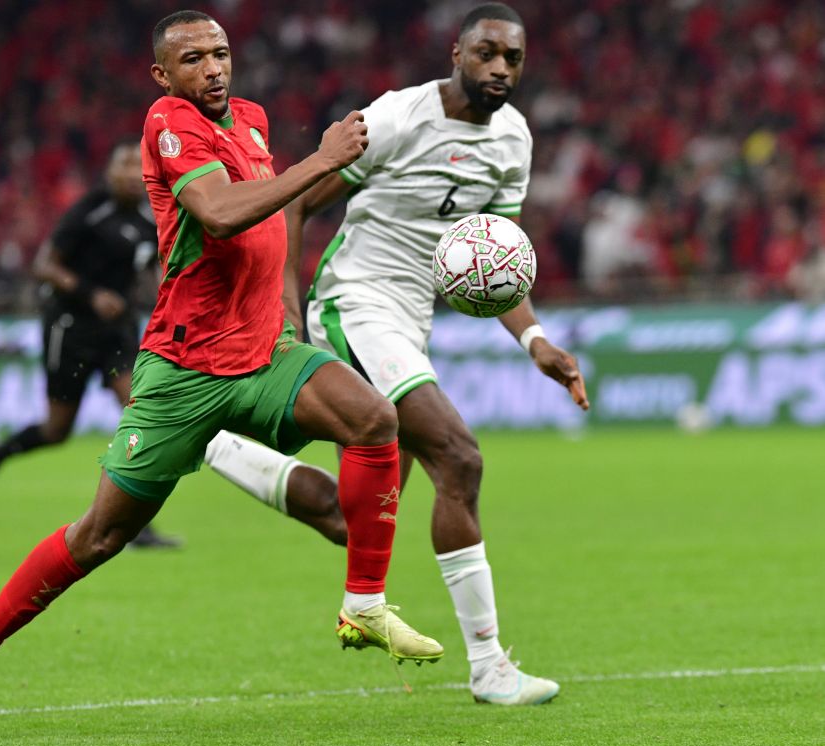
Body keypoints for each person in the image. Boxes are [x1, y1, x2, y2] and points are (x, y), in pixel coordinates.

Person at [0, 10, 442, 741]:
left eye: (220, 53)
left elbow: (275, 224)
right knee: (100, 536)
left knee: (373, 419)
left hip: (263, 353)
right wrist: (321, 160)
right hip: (185, 371)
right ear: (162, 74)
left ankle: (363, 604)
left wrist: (285, 305)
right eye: (194, 58)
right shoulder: (168, 122)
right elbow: (221, 213)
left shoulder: (253, 120)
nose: (213, 68)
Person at [204, 2, 589, 706]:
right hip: (353, 301)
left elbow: (496, 263)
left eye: (512, 58)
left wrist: (535, 340)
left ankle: (224, 447)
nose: (500, 68)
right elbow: (294, 204)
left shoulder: (513, 140)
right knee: (458, 456)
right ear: (456, 53)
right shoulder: (398, 117)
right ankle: (488, 666)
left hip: (409, 323)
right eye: (486, 53)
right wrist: (284, 310)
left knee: (352, 519)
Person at [0, 141, 180, 549]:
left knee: (139, 412)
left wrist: (168, 302)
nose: (131, 173)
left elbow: (154, 268)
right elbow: (45, 265)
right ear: (110, 172)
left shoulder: (149, 216)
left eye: (138, 165)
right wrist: (91, 294)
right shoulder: (89, 211)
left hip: (116, 330)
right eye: (124, 165)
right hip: (71, 326)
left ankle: (134, 524)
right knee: (57, 430)